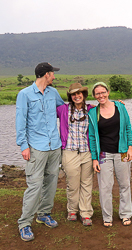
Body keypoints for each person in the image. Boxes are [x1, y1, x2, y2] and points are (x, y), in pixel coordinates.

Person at [16, 62, 64, 241]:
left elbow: (64, 111)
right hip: (36, 147)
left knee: (51, 183)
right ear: (46, 74)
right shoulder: (24, 95)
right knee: (35, 185)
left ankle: (44, 214)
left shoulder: (54, 93)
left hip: (54, 146)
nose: (54, 77)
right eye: (53, 74)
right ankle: (24, 223)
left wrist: (92, 108)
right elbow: (20, 121)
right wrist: (23, 146)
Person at [88, 82, 132, 227]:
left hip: (122, 152)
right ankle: (107, 217)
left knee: (124, 184)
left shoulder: (120, 107)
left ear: (108, 92)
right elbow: (92, 137)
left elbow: (128, 128)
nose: (101, 95)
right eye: (97, 93)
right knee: (105, 187)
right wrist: (94, 158)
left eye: (103, 92)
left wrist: (130, 148)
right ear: (94, 96)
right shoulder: (93, 113)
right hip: (103, 155)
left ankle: (125, 214)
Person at [56, 83, 94, 226]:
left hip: (87, 152)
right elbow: (44, 111)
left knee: (86, 183)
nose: (77, 96)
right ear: (70, 97)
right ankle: (72, 210)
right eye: (73, 94)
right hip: (69, 151)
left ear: (84, 95)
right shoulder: (62, 109)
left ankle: (85, 213)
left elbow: (108, 109)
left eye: (79, 93)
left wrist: (118, 104)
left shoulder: (91, 110)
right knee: (72, 184)